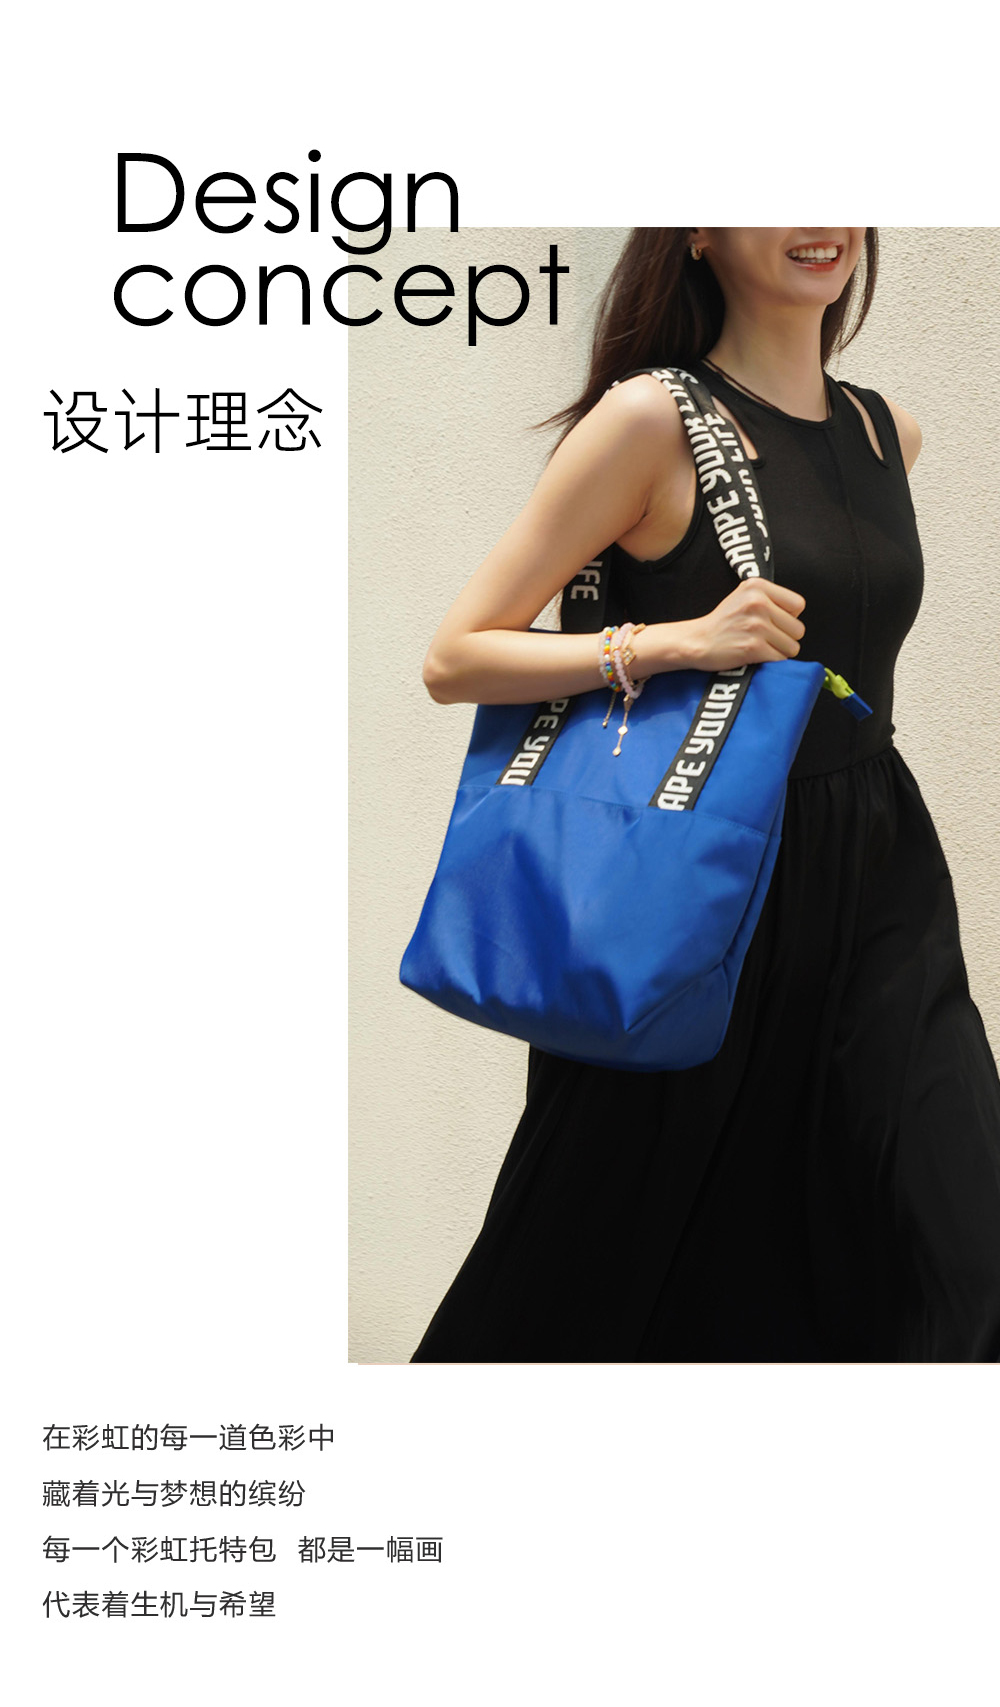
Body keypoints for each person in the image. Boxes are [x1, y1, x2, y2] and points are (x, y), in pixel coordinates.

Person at [408, 228, 1000, 1363]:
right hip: (694, 881)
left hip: (877, 882)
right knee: (612, 1260)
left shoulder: (889, 432)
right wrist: (673, 640)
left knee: (955, 1233)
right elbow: (455, 656)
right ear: (697, 231)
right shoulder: (649, 420)